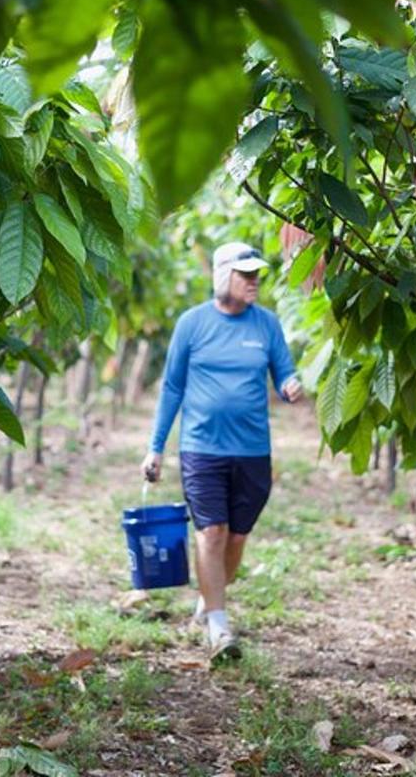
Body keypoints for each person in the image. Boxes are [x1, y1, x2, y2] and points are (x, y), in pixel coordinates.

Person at [141, 241, 302, 662]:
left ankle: (209, 597)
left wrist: (289, 386)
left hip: (252, 450)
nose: (254, 282)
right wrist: (155, 448)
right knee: (211, 532)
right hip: (201, 448)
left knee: (236, 536)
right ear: (222, 275)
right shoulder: (192, 325)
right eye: (245, 275)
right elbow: (172, 387)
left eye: (256, 275)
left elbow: (284, 371)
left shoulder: (266, 325)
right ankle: (218, 625)